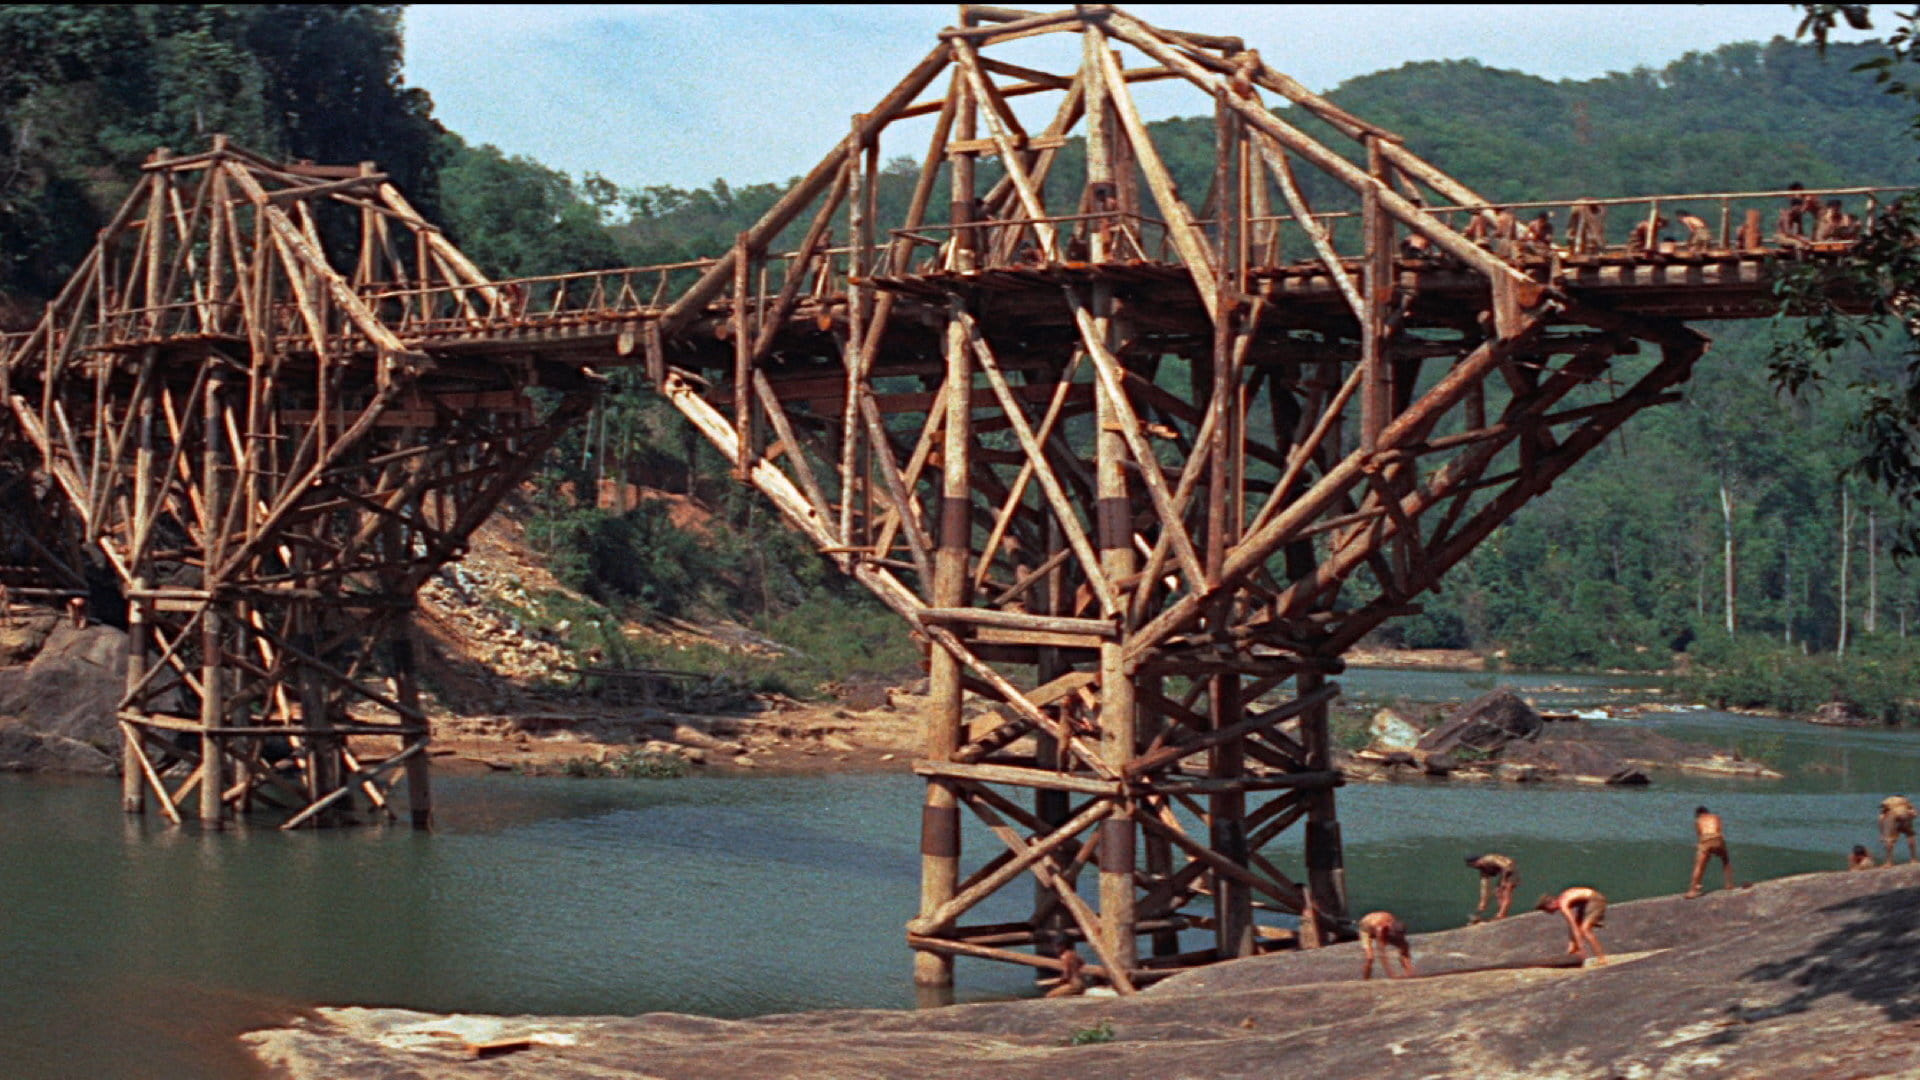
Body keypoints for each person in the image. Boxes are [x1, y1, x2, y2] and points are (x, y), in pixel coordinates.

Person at [1537, 886, 1608, 963]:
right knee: (1579, 926)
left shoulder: (1563, 904)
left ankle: (1601, 958)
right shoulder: (1563, 899)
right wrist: (1572, 944)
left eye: (1547, 909)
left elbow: (1573, 925)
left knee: (1585, 929)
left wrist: (1582, 949)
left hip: (1595, 900)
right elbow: (1573, 925)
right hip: (1587, 902)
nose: (1550, 912)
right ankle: (1575, 949)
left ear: (1551, 904)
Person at [1686, 805, 1734, 898]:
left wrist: (1701, 847)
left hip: (1705, 840)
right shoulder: (1716, 817)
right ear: (1707, 812)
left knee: (1699, 866)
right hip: (1717, 838)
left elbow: (1700, 835)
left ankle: (1693, 890)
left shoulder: (1698, 820)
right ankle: (1729, 884)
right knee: (1725, 860)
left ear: (1698, 814)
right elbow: (1719, 830)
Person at [1356, 910, 1417, 980]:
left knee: (1404, 946)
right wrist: (1391, 975)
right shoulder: (1380, 929)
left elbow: (1404, 946)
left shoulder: (1395, 924)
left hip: (1381, 925)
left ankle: (1409, 972)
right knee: (1370, 958)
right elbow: (1382, 953)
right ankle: (1365, 979)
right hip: (1366, 929)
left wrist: (1410, 971)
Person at [1465, 852, 1519, 922]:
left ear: (1477, 861)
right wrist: (1483, 902)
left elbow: (1507, 866)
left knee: (1506, 891)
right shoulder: (1483, 870)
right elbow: (1484, 887)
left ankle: (1501, 915)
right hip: (1504, 873)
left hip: (1511, 871)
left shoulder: (1490, 859)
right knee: (1498, 893)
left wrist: (1503, 881)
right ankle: (1501, 913)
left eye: (1472, 865)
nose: (1474, 867)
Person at [1879, 795, 1918, 865]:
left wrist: (1882, 833)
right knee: (1910, 835)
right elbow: (1914, 814)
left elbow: (1881, 816)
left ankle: (1889, 862)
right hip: (1903, 813)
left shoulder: (1888, 800)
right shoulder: (1904, 800)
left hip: (1891, 815)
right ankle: (1913, 859)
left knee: (1889, 839)